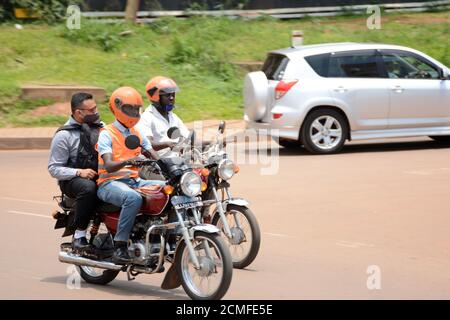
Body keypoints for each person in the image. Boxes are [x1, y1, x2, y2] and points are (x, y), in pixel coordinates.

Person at [96, 86, 163, 265]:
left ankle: (159, 234)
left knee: (167, 189)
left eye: (136, 109)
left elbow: (152, 153)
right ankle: (120, 245)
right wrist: (129, 161)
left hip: (134, 180)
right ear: (117, 108)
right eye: (129, 109)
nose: (134, 112)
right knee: (133, 198)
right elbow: (109, 165)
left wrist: (172, 167)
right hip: (109, 183)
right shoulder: (107, 134)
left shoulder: (136, 133)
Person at [48, 92, 102, 252]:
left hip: (100, 174)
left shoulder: (100, 128)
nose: (96, 112)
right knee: (88, 188)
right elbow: (54, 168)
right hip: (72, 181)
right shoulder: (64, 135)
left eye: (96, 108)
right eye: (92, 110)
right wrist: (79, 172)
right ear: (79, 112)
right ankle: (79, 236)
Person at [136, 76, 190, 156]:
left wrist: (210, 143)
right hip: (157, 165)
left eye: (173, 95)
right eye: (167, 95)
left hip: (176, 163)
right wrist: (168, 144)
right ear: (156, 97)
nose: (172, 98)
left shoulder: (173, 117)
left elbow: (189, 139)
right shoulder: (146, 118)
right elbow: (147, 144)